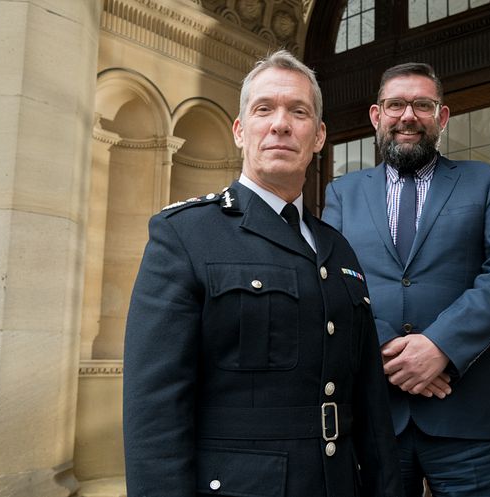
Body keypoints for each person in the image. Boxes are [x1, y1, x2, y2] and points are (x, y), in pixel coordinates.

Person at [122, 50, 403, 497]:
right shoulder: (186, 236)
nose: (280, 124)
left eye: (299, 111)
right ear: (240, 130)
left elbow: (368, 400)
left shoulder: (337, 247)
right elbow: (154, 410)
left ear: (318, 136)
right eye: (264, 109)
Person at [322, 62, 490, 497]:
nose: (408, 116)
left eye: (422, 104)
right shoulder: (342, 192)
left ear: (442, 116)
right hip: (376, 414)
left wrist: (440, 348)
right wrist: (390, 352)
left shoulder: (484, 182)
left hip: (467, 416)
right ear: (377, 116)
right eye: (395, 104)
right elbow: (334, 281)